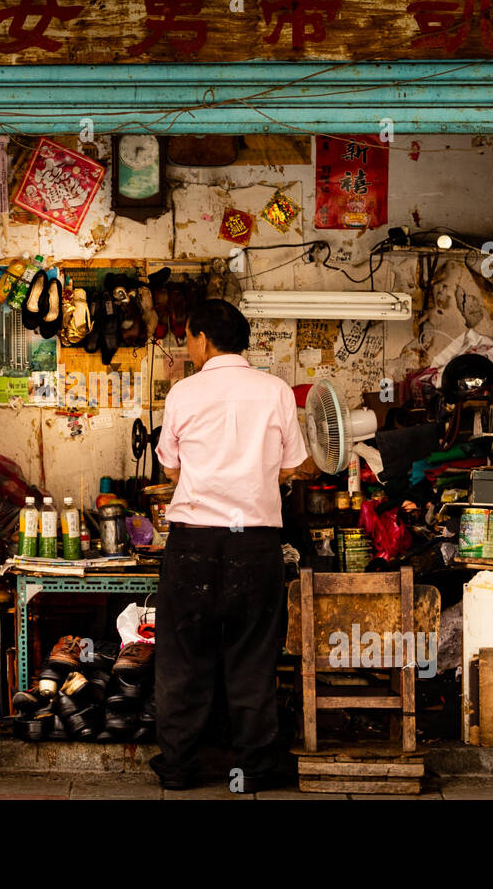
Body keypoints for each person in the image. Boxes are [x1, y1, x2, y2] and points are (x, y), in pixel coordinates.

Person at [150, 298, 316, 792]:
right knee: (252, 655)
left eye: (189, 341)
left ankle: (179, 768)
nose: (188, 349)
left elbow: (170, 468)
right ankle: (256, 767)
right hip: (256, 546)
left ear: (202, 339)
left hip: (194, 544)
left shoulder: (184, 392)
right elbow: (294, 466)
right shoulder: (276, 391)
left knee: (183, 658)